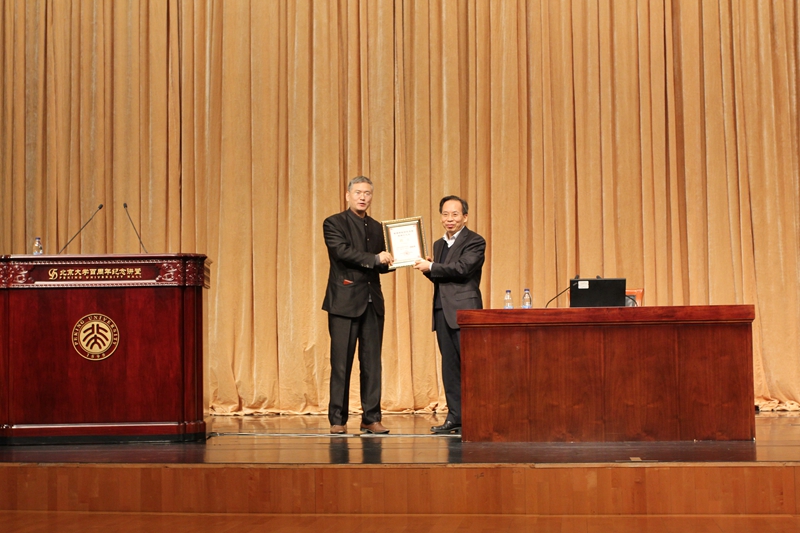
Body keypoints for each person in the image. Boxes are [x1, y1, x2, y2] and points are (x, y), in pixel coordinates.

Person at [322, 176, 394, 435]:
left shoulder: (377, 227)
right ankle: (337, 420)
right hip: (344, 302)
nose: (363, 197)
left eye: (367, 193)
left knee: (372, 363)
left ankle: (371, 418)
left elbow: (381, 265)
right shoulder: (334, 223)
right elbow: (342, 252)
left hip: (372, 302)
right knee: (341, 363)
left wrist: (398, 258)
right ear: (348, 195)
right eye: (358, 192)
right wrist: (376, 258)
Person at [413, 195, 485, 434]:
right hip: (442, 311)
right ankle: (456, 417)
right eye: (445, 214)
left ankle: (477, 417)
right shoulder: (438, 244)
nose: (449, 219)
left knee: (471, 367)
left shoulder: (475, 241)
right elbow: (441, 277)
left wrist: (433, 267)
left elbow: (463, 269)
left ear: (465, 217)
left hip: (465, 312)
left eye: (455, 214)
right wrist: (427, 269)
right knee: (450, 367)